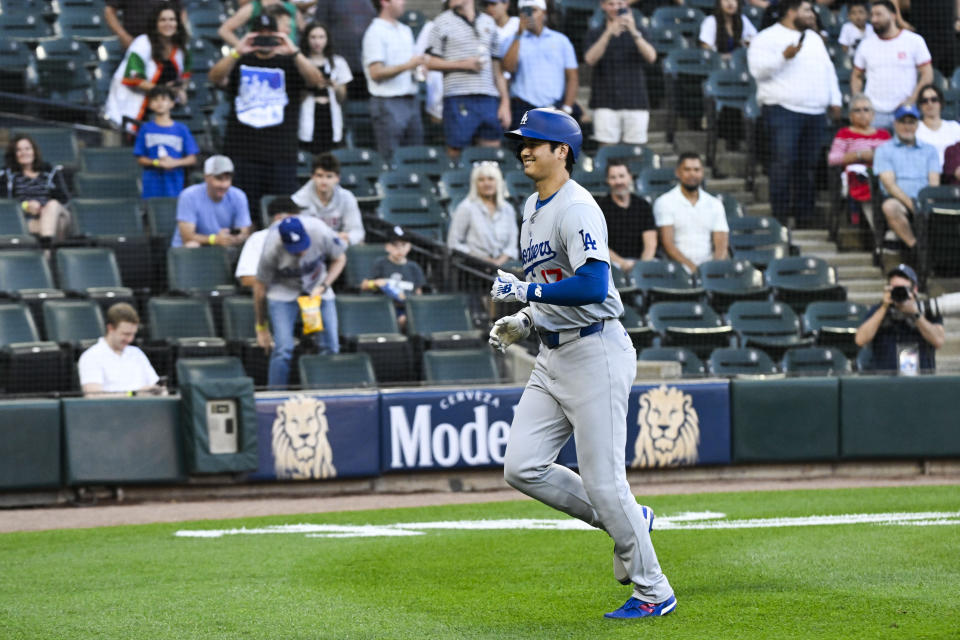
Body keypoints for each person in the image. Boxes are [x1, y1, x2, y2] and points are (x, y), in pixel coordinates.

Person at [487, 107, 676, 620]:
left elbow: (594, 284)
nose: (523, 149)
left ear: (562, 151)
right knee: (521, 466)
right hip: (553, 354)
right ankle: (630, 521)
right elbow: (556, 281)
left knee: (603, 478)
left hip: (596, 350)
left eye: (534, 142)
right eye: (521, 142)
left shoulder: (577, 208)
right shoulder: (531, 206)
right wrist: (527, 318)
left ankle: (653, 590)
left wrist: (527, 290)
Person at [209, 9, 323, 224]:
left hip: (280, 154)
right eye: (259, 33)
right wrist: (237, 50)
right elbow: (215, 77)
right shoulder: (240, 60)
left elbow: (316, 80)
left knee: (282, 215)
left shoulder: (290, 63)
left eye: (269, 33)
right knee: (245, 216)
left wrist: (293, 51)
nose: (264, 38)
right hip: (243, 152)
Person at [748, 0, 842, 229]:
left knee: (808, 166)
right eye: (807, 10)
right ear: (791, 12)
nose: (812, 15)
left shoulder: (814, 39)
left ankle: (804, 217)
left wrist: (836, 98)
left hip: (815, 111)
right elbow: (757, 71)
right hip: (782, 110)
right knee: (783, 164)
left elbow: (828, 69)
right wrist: (783, 57)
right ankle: (779, 217)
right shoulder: (766, 37)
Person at [254, 216, 347, 386]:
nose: (301, 252)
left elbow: (340, 259)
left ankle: (328, 394)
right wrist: (261, 327)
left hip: (318, 285)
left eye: (302, 245)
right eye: (294, 249)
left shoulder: (320, 231)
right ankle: (275, 399)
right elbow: (259, 289)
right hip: (283, 289)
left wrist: (324, 286)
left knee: (332, 345)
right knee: (283, 349)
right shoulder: (271, 248)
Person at [425, 0, 512, 161]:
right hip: (458, 97)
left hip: (489, 98)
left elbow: (496, 67)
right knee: (456, 154)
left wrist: (505, 103)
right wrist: (464, 64)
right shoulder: (441, 21)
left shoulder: (488, 22)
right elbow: (429, 62)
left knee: (491, 156)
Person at [104, 3, 191, 132]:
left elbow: (184, 76)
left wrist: (181, 90)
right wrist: (164, 90)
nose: (168, 24)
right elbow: (133, 78)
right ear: (155, 23)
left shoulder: (180, 48)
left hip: (158, 107)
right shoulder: (142, 43)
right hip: (131, 105)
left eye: (172, 20)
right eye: (163, 20)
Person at [583, 0, 657, 147]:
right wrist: (609, 33)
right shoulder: (595, 32)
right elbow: (590, 60)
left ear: (627, 6)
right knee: (607, 151)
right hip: (605, 101)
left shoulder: (640, 30)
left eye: (620, 3)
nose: (616, 8)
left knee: (636, 152)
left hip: (636, 101)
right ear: (603, 6)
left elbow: (651, 57)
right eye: (611, 4)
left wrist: (634, 31)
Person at [851, 0, 933, 130]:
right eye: (872, 15)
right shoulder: (866, 45)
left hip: (905, 111)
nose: (874, 19)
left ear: (893, 16)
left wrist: (912, 100)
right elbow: (856, 76)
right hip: (874, 113)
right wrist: (859, 101)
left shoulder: (914, 40)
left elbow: (927, 74)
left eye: (879, 14)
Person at [361, 0, 427, 162]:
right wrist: (408, 65)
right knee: (391, 159)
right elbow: (376, 72)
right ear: (384, 2)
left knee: (416, 158)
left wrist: (417, 69)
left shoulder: (405, 30)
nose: (404, 2)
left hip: (411, 99)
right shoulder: (374, 32)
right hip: (387, 103)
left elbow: (409, 64)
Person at [501, 0, 579, 130]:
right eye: (525, 11)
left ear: (544, 13)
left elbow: (573, 77)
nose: (529, 15)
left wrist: (567, 108)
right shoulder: (511, 40)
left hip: (554, 108)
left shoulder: (561, 41)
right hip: (523, 108)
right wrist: (519, 35)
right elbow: (508, 69)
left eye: (534, 10)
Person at [873, 104, 940, 254]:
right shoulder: (884, 149)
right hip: (900, 200)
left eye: (911, 122)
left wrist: (927, 204)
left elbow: (934, 183)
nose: (907, 126)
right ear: (895, 124)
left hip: (925, 201)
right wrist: (912, 205)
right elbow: (889, 185)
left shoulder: (930, 150)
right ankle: (917, 248)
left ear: (917, 125)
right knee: (890, 207)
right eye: (903, 121)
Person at [854, 263, 944, 374]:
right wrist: (884, 307)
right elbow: (860, 339)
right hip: (886, 382)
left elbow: (938, 341)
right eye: (895, 288)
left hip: (921, 381)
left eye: (904, 289)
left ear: (914, 289)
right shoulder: (878, 310)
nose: (899, 292)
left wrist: (915, 314)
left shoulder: (928, 310)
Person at [653, 152, 729, 273]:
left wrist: (714, 269)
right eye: (687, 170)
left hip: (710, 269)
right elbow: (668, 244)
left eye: (696, 170)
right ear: (678, 172)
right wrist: (693, 270)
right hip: (677, 270)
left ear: (702, 172)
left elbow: (721, 243)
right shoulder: (664, 202)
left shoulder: (715, 204)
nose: (692, 174)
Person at [827, 94, 891, 226]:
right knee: (868, 184)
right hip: (858, 176)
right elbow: (833, 159)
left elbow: (893, 157)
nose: (862, 114)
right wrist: (860, 155)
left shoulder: (884, 135)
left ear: (873, 114)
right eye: (857, 110)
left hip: (883, 174)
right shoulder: (844, 133)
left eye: (866, 110)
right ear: (850, 116)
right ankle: (879, 234)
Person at [77, 303, 165, 397]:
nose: (130, 339)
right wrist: (133, 393)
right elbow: (93, 396)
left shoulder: (137, 353)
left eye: (133, 334)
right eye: (126, 334)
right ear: (110, 328)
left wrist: (160, 391)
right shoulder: (91, 356)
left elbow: (155, 386)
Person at [172, 155, 253, 248]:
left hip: (223, 249)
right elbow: (187, 237)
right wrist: (214, 239)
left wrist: (235, 238)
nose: (224, 185)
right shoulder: (189, 195)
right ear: (206, 177)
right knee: (192, 245)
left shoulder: (239, 196)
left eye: (227, 179)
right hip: (193, 250)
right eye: (219, 178)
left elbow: (244, 232)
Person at [133, 85, 199, 199]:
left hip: (175, 185)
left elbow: (192, 158)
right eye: (155, 99)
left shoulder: (181, 129)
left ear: (172, 103)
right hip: (151, 188)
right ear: (150, 104)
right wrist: (157, 163)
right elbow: (140, 158)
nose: (160, 103)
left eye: (163, 99)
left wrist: (174, 163)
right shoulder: (146, 129)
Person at [446, 162, 519, 265]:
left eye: (491, 179)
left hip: (504, 265)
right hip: (475, 266)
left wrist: (499, 262)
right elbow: (453, 243)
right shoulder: (466, 207)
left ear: (498, 182)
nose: (486, 183)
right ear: (475, 184)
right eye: (481, 180)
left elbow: (512, 245)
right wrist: (481, 259)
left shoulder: (508, 209)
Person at [0, 135, 71, 240]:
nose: (24, 153)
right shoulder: (7, 174)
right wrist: (25, 206)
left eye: (27, 149)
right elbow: (5, 204)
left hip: (55, 213)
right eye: (19, 150)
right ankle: (49, 252)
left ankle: (46, 246)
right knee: (55, 224)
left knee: (53, 205)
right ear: (14, 154)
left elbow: (64, 199)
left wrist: (43, 209)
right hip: (27, 220)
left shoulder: (50, 170)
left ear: (34, 151)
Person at [298, 22, 353, 154]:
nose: (317, 42)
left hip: (330, 113)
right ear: (307, 39)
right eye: (313, 37)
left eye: (321, 37)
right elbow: (296, 97)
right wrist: (311, 86)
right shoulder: (301, 61)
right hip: (308, 111)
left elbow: (342, 97)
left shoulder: (338, 62)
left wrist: (335, 86)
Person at [291, 152, 365, 246]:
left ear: (337, 178)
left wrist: (349, 238)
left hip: (339, 246)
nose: (324, 181)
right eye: (319, 175)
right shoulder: (299, 199)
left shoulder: (347, 198)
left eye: (329, 176)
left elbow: (357, 231)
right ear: (312, 177)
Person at [361, 225, 426, 329]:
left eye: (403, 245)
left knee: (407, 319)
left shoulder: (414, 267)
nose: (399, 249)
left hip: (406, 308)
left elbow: (418, 293)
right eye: (395, 245)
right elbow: (364, 285)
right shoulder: (380, 264)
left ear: (409, 247)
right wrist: (376, 283)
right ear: (387, 247)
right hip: (383, 308)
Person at [597, 160, 657, 272]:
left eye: (622, 176)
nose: (618, 181)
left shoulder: (643, 205)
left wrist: (642, 267)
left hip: (641, 262)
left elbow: (650, 244)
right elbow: (598, 244)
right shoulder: (599, 208)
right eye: (613, 177)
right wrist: (622, 263)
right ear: (607, 180)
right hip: (611, 263)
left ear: (630, 177)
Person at [312, 0, 376, 101]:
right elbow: (319, 28)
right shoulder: (327, 2)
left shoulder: (367, 3)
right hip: (339, 68)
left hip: (365, 68)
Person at [236, 196, 299, 288]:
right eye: (294, 218)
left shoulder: (302, 238)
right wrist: (283, 284)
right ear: (278, 218)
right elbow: (246, 279)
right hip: (270, 296)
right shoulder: (258, 239)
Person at [218, 0, 303, 49]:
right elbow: (224, 30)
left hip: (287, 55)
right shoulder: (253, 7)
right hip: (260, 54)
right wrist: (243, 47)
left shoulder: (291, 7)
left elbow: (307, 30)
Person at [104, 0, 187, 50]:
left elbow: (181, 11)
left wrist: (176, 34)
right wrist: (124, 36)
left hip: (163, 46)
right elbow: (109, 11)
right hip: (135, 44)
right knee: (135, 78)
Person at [916, 83, 960, 170]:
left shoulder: (954, 127)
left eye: (934, 99)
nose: (929, 103)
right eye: (924, 101)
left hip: (952, 175)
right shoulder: (915, 128)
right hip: (924, 174)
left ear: (941, 103)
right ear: (920, 106)